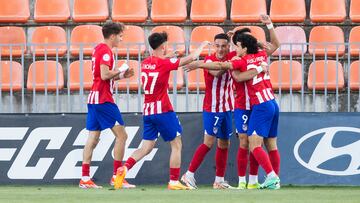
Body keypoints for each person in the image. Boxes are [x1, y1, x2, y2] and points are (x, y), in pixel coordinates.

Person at [185, 15, 280, 189]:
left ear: (232, 46)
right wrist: (201, 63)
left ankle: (229, 180)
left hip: (236, 106)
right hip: (216, 107)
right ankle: (190, 175)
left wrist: (246, 46)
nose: (220, 49)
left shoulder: (237, 57)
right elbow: (217, 71)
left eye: (225, 46)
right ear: (213, 47)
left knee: (230, 143)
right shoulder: (212, 59)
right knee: (231, 142)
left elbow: (233, 68)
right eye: (217, 46)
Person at [114, 32, 209, 190]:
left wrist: (167, 56)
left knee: (146, 147)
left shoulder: (145, 63)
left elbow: (157, 63)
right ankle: (173, 181)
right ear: (163, 46)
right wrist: (202, 45)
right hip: (163, 110)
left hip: (148, 111)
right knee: (177, 144)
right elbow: (191, 58)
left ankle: (123, 169)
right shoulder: (164, 64)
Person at [79, 22, 135, 189]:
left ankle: (85, 178)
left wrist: (122, 76)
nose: (121, 38)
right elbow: (104, 75)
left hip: (94, 99)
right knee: (122, 136)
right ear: (112, 36)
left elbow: (102, 77)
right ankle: (116, 177)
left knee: (93, 138)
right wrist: (120, 69)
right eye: (120, 36)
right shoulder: (105, 51)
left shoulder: (98, 49)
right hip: (103, 100)